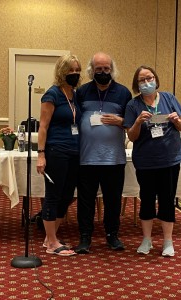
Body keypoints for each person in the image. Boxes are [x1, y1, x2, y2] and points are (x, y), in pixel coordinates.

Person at [123, 65, 181, 257]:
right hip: (146, 161)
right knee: (147, 201)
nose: (147, 82)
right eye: (142, 80)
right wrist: (138, 122)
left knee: (167, 200)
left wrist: (176, 121)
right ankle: (146, 240)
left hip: (169, 160)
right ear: (137, 84)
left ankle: (168, 242)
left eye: (149, 78)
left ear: (156, 79)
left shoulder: (168, 98)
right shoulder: (133, 106)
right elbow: (131, 137)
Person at [75, 52, 132, 253]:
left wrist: (121, 121)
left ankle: (112, 236)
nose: (102, 72)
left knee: (113, 201)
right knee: (85, 201)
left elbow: (132, 124)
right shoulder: (81, 92)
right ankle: (84, 238)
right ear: (92, 70)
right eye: (98, 69)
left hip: (114, 159)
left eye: (106, 68)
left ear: (112, 69)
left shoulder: (124, 93)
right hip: (86, 158)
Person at [36, 54, 82, 256]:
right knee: (53, 196)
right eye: (70, 70)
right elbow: (43, 127)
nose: (74, 74)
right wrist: (41, 155)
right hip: (56, 151)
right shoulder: (52, 94)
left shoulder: (75, 94)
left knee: (67, 195)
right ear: (61, 72)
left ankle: (50, 237)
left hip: (74, 151)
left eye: (77, 70)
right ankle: (52, 243)